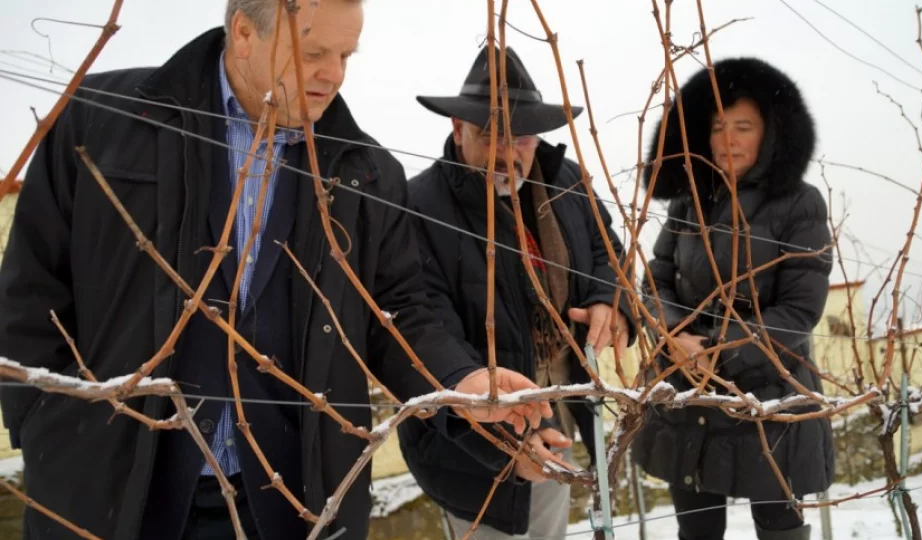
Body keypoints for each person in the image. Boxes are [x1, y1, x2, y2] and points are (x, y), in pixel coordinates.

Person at [0, 2, 555, 539]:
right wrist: (46, 429)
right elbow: (31, 290)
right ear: (245, 33)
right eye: (312, 52)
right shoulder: (103, 119)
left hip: (292, 501)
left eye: (346, 55)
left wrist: (461, 382)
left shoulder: (364, 173)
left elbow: (400, 312)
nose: (333, 74)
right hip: (110, 493)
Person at [397, 44, 636, 539]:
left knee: (546, 528)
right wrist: (499, 438)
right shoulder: (419, 207)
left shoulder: (565, 180)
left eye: (522, 137)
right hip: (469, 438)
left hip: (562, 410)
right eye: (491, 136)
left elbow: (606, 251)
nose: (510, 153)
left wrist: (607, 301)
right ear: (457, 130)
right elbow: (425, 330)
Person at [631, 57, 835, 540]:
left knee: (778, 525)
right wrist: (676, 335)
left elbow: (799, 309)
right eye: (719, 127)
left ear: (771, 133)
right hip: (687, 386)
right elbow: (654, 280)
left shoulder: (800, 203)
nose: (729, 140)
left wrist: (719, 349)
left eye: (744, 126)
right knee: (696, 528)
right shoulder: (689, 200)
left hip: (768, 390)